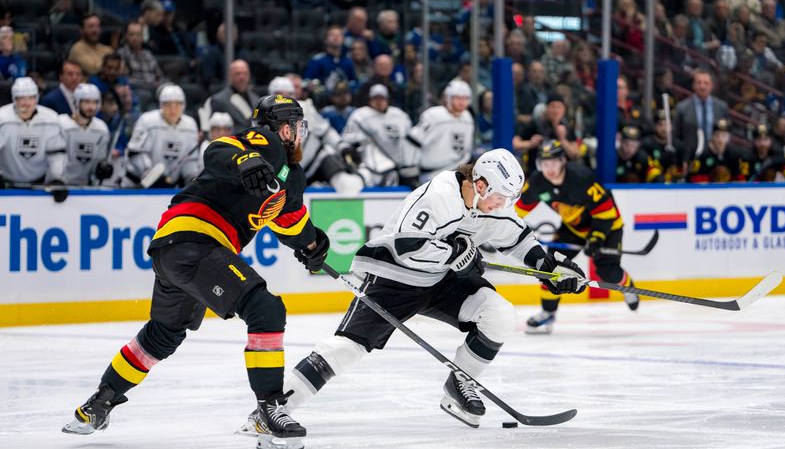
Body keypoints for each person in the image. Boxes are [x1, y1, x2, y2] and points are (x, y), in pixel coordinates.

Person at [240, 149, 585, 433]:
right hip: (396, 276)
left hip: (443, 280)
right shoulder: (440, 195)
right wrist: (454, 253)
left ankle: (459, 383)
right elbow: (407, 245)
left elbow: (518, 239)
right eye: (498, 196)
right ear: (479, 184)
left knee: (500, 315)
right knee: (349, 348)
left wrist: (550, 269)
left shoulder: (493, 206)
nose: (501, 204)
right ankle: (273, 410)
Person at [63, 94, 330, 449]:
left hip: (176, 250)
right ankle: (269, 410)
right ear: (285, 129)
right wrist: (247, 159)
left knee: (163, 335)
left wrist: (313, 246)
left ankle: (98, 403)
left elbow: (291, 224)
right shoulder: (264, 143)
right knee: (266, 310)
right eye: (298, 127)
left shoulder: (291, 176)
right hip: (196, 241)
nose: (301, 135)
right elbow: (218, 150)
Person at [516, 140, 638, 334]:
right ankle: (548, 314)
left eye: (554, 163)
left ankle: (628, 287)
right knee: (551, 268)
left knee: (608, 272)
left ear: (563, 161)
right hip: (573, 229)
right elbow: (519, 209)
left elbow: (606, 211)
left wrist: (597, 238)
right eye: (545, 164)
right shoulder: (538, 182)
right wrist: (506, 228)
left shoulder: (581, 177)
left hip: (607, 226)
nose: (550, 169)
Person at [269, 76, 363, 195]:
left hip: (312, 162)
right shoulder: (263, 115)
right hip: (283, 168)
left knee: (327, 152)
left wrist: (342, 146)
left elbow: (325, 131)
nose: (283, 98)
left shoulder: (305, 109)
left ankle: (342, 182)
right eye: (278, 94)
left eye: (287, 94)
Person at [0, 77, 67, 201]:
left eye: (30, 98)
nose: (26, 103)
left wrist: (56, 178)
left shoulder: (50, 119)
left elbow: (56, 154)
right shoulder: (2, 118)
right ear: (14, 99)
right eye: (21, 98)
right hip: (6, 183)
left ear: (36, 98)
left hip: (40, 182)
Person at [123, 84, 200, 188]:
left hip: (170, 186)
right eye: (168, 105)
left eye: (177, 105)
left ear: (183, 106)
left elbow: (190, 159)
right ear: (161, 105)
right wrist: (150, 174)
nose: (173, 110)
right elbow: (135, 152)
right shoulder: (147, 121)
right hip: (136, 184)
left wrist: (191, 180)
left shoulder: (190, 126)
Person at [339, 83, 413, 187]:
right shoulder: (359, 116)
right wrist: (348, 151)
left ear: (387, 99)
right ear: (370, 100)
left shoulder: (400, 116)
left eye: (382, 98)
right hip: (366, 167)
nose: (379, 102)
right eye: (375, 98)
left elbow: (409, 142)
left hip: (393, 168)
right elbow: (345, 141)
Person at [407, 80, 474, 182]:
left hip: (456, 175)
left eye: (465, 98)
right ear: (448, 98)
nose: (461, 102)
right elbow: (413, 142)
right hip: (430, 175)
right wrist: (410, 172)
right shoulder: (433, 115)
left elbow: (466, 150)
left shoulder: (468, 118)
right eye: (457, 98)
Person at [57, 83, 112, 186]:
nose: (91, 107)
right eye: (86, 102)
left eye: (94, 102)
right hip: (60, 186)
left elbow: (99, 162)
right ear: (76, 103)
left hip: (86, 187)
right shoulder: (60, 124)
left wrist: (101, 169)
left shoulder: (101, 129)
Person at [673, 70, 729, 163]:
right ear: (693, 85)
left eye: (706, 83)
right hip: (691, 158)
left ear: (711, 86)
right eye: (699, 83)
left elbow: (727, 133)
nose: (702, 87)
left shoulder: (722, 107)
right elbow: (676, 135)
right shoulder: (682, 108)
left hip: (716, 158)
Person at [201, 60, 259, 134]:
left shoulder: (256, 99)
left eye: (245, 73)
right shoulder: (219, 101)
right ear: (230, 76)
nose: (242, 77)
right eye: (238, 74)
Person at [641, 109, 684, 181]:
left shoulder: (678, 145)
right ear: (654, 126)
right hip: (655, 187)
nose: (664, 129)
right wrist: (662, 159)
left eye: (667, 124)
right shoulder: (646, 144)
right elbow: (647, 169)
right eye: (660, 125)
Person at [118, 21, 164, 89]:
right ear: (126, 36)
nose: (135, 38)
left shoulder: (148, 54)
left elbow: (159, 76)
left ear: (142, 36)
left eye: (138, 34)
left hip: (153, 88)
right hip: (136, 90)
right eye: (131, 34)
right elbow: (123, 79)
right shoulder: (121, 54)